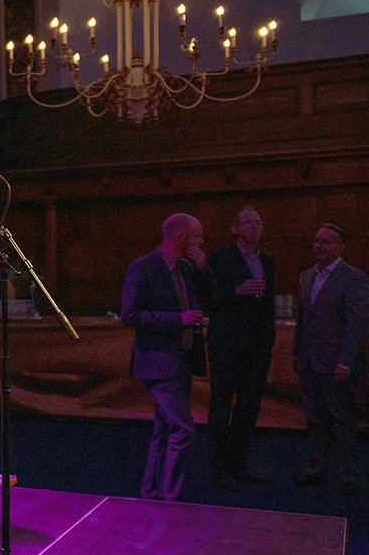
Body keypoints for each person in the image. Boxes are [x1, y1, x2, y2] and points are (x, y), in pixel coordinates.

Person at [121, 213, 211, 502]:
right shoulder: (143, 267)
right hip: (158, 363)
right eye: (197, 235)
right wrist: (178, 319)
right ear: (181, 236)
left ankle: (150, 493)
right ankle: (171, 497)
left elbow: (206, 299)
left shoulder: (186, 269)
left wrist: (196, 316)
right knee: (183, 430)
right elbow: (130, 315)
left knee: (163, 431)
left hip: (182, 361)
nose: (201, 241)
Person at [293, 224, 368, 494]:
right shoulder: (306, 277)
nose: (318, 246)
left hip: (338, 363)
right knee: (314, 418)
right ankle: (317, 467)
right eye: (316, 241)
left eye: (326, 242)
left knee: (343, 419)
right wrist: (297, 354)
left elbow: (357, 324)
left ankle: (350, 473)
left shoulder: (353, 278)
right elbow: (303, 321)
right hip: (310, 361)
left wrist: (346, 360)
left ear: (340, 246)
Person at [205, 207, 276, 489]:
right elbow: (208, 298)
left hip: (257, 346)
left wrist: (269, 339)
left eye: (258, 221)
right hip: (227, 343)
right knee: (221, 406)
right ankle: (218, 469)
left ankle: (239, 466)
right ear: (234, 228)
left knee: (249, 407)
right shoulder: (221, 258)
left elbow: (268, 302)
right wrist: (237, 291)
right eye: (248, 222)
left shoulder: (267, 261)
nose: (254, 226)